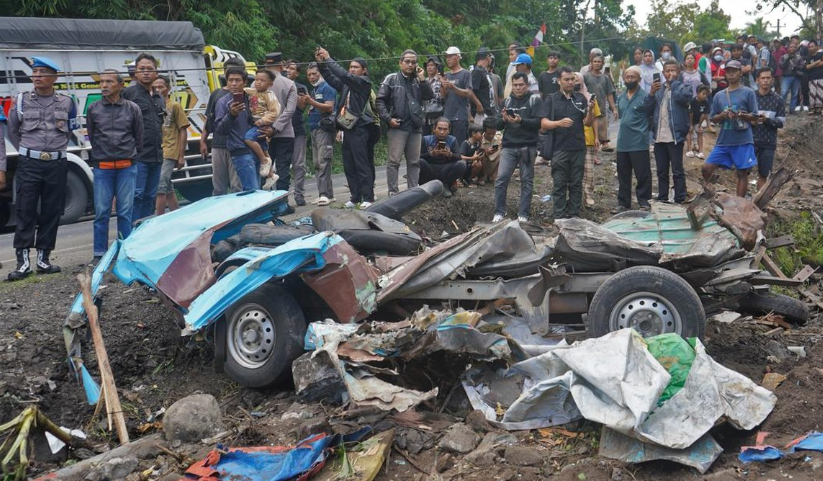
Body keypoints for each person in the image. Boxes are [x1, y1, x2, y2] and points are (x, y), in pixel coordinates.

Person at [6, 57, 77, 280]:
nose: (36, 76)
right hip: (30, 162)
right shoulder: (21, 100)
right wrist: (29, 151)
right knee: (25, 209)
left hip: (56, 162)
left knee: (52, 210)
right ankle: (23, 262)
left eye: (42, 72)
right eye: (34, 72)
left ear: (54, 78)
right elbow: (13, 130)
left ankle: (44, 259)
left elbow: (70, 129)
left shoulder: (67, 102)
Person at [86, 69, 143, 265]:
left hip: (127, 167)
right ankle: (99, 253)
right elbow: (93, 137)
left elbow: (138, 137)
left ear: (120, 85)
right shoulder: (93, 109)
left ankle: (125, 250)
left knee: (125, 211)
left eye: (109, 81)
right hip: (103, 167)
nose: (104, 85)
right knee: (101, 212)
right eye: (101, 82)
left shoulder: (132, 108)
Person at [316, 47, 377, 208]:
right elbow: (332, 78)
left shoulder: (364, 83)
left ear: (364, 71)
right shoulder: (347, 86)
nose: (352, 69)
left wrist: (329, 58)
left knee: (361, 163)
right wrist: (321, 64)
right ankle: (355, 197)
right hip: (346, 128)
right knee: (349, 164)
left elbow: (343, 75)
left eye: (355, 67)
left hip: (360, 128)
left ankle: (368, 197)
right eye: (350, 66)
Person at [376, 49, 434, 197]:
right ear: (400, 62)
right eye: (407, 61)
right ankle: (393, 193)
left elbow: (429, 96)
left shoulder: (418, 80)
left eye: (413, 62)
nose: (410, 65)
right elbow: (380, 101)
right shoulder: (391, 79)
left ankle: (413, 192)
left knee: (414, 162)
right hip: (398, 125)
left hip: (415, 127)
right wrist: (388, 119)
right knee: (394, 161)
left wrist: (422, 79)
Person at [542, 67, 594, 219]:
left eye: (572, 79)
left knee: (576, 184)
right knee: (559, 184)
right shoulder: (551, 99)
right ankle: (559, 216)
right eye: (567, 79)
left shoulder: (580, 99)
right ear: (559, 81)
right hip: (559, 148)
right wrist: (558, 123)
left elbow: (588, 123)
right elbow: (544, 123)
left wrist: (590, 110)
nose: (571, 82)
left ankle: (574, 216)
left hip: (578, 147)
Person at [701, 60, 760, 198]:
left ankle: (739, 204)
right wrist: (723, 115)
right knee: (706, 168)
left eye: (734, 71)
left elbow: (755, 115)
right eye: (728, 71)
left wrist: (741, 115)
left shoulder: (748, 92)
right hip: (724, 140)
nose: (731, 74)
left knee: (742, 173)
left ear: (740, 73)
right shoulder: (719, 95)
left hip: (743, 139)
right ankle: (711, 195)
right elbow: (713, 118)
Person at [492, 72, 545, 222]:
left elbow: (538, 123)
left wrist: (521, 121)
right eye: (515, 85)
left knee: (526, 180)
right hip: (509, 146)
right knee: (501, 178)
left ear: (527, 85)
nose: (518, 88)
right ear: (512, 86)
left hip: (528, 146)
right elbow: (497, 125)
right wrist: (503, 119)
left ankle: (523, 214)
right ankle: (499, 212)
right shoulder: (507, 101)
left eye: (521, 85)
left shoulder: (534, 100)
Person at [122, 53, 165, 222]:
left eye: (150, 69)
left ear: (156, 73)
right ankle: (130, 234)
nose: (146, 72)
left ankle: (146, 232)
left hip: (156, 155)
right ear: (136, 72)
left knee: (150, 196)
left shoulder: (158, 97)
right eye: (142, 69)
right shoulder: (128, 94)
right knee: (136, 196)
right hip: (137, 157)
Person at [647, 59, 693, 204]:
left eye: (673, 70)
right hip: (659, 137)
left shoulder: (684, 87)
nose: (670, 73)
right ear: (663, 73)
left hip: (675, 137)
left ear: (678, 72)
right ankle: (662, 198)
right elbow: (647, 109)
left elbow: (684, 97)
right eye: (668, 71)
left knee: (677, 170)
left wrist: (674, 83)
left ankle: (680, 198)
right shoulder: (659, 90)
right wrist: (651, 94)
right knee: (661, 171)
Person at [201, 57, 243, 196]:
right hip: (218, 144)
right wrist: (203, 141)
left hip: (238, 145)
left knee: (237, 185)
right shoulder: (217, 94)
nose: (233, 81)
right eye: (228, 71)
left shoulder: (247, 94)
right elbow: (209, 119)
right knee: (219, 186)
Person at [214, 67, 261, 191]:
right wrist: (231, 115)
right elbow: (220, 130)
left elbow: (265, 116)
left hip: (258, 149)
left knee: (259, 190)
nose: (233, 84)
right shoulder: (223, 102)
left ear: (245, 82)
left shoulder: (253, 98)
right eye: (230, 80)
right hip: (240, 151)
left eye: (237, 80)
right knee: (252, 190)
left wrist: (270, 130)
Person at [614, 66, 652, 213]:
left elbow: (650, 116)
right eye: (627, 77)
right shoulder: (621, 96)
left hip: (639, 142)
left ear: (639, 79)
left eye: (633, 77)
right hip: (623, 142)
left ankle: (644, 201)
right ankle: (623, 203)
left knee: (642, 174)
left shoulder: (645, 96)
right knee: (623, 175)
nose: (629, 79)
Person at [263, 53, 298, 207]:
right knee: (283, 168)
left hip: (262, 134)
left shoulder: (255, 84)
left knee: (264, 168)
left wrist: (267, 127)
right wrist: (276, 128)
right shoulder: (289, 84)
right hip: (284, 133)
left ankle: (264, 204)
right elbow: (290, 111)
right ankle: (283, 204)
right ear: (280, 65)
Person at [153, 76, 189, 215]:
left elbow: (183, 130)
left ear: (167, 89)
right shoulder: (153, 107)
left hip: (170, 150)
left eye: (160, 86)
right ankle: (177, 216)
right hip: (157, 150)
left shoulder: (174, 106)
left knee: (160, 187)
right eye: (154, 87)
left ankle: (159, 220)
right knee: (168, 188)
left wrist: (181, 155)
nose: (157, 89)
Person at [302, 63, 337, 205]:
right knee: (317, 162)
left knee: (323, 161)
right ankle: (327, 193)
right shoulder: (314, 89)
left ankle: (324, 194)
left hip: (324, 128)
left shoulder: (326, 87)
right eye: (309, 74)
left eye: (314, 74)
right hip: (313, 128)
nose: (311, 77)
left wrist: (312, 101)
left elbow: (329, 106)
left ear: (320, 73)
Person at [241, 70, 280, 182]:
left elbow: (275, 112)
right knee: (263, 147)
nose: (258, 83)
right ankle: (271, 175)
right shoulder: (252, 91)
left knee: (248, 138)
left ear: (270, 84)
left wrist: (263, 121)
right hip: (255, 123)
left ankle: (263, 160)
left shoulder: (270, 96)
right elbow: (241, 90)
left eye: (262, 81)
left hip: (262, 124)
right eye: (257, 80)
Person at [752, 68, 785, 190]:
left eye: (768, 78)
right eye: (762, 78)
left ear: (772, 80)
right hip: (750, 140)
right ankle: (742, 203)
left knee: (764, 174)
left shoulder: (778, 100)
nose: (765, 81)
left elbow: (781, 122)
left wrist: (767, 120)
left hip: (768, 142)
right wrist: (751, 120)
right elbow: (743, 116)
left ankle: (759, 205)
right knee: (743, 171)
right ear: (757, 80)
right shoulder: (751, 97)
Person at [418, 118, 467, 196]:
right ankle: (425, 186)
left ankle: (445, 184)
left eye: (445, 129)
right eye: (439, 129)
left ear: (449, 130)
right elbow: (418, 157)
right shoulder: (426, 139)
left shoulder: (452, 140)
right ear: (434, 129)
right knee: (420, 162)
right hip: (430, 167)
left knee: (461, 164)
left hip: (445, 169)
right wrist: (431, 154)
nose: (442, 132)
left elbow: (458, 156)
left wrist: (450, 154)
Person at [575, 73, 601, 207]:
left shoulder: (590, 97)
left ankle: (588, 195)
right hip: (572, 140)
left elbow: (595, 118)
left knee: (589, 171)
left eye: (577, 79)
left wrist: (597, 137)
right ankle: (576, 197)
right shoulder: (568, 98)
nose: (575, 82)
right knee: (575, 171)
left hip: (588, 138)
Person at [441, 47, 475, 145]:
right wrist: (442, 84)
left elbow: (468, 93)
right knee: (445, 145)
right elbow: (443, 96)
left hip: (460, 117)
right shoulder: (446, 75)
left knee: (458, 145)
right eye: (447, 56)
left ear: (458, 57)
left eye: (450, 56)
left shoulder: (466, 73)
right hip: (447, 116)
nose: (448, 59)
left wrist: (453, 87)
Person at [286, 59, 308, 204]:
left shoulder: (301, 87)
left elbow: (301, 106)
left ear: (297, 73)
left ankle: (299, 194)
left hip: (297, 130)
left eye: (292, 68)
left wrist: (291, 87)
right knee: (281, 165)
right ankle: (281, 196)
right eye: (286, 67)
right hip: (280, 131)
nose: (288, 70)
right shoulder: (276, 84)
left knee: (299, 165)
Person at [583, 54, 617, 152]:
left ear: (602, 63)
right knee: (590, 132)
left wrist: (614, 108)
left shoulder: (605, 78)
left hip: (601, 107)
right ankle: (593, 154)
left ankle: (602, 146)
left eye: (599, 62)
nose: (597, 64)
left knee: (601, 131)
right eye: (595, 61)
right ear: (591, 63)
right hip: (589, 108)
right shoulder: (586, 76)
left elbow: (609, 94)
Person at [686, 85, 711, 159]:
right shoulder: (692, 101)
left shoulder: (706, 103)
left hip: (698, 120)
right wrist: (690, 125)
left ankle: (700, 152)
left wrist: (700, 125)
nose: (705, 96)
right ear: (697, 93)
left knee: (700, 133)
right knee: (689, 132)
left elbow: (704, 115)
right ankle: (690, 150)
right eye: (703, 94)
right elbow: (691, 114)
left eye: (706, 94)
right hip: (689, 119)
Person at [471, 47, 495, 125]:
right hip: (480, 113)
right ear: (488, 57)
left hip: (487, 111)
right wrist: (478, 104)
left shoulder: (483, 71)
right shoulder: (477, 71)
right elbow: (470, 91)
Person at [478, 116, 502, 185]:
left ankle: (494, 177)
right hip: (483, 165)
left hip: (494, 165)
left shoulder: (499, 137)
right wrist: (485, 152)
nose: (491, 136)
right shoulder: (479, 139)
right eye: (489, 133)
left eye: (493, 133)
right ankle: (482, 177)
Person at [423, 56, 444, 136]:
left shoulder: (441, 80)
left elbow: (443, 97)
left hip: (438, 115)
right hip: (425, 116)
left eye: (432, 65)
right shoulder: (424, 81)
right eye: (428, 66)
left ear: (437, 67)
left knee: (438, 140)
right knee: (425, 140)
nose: (429, 67)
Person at [780, 42, 803, 112]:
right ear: (788, 48)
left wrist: (796, 67)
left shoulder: (799, 57)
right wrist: (787, 59)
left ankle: (792, 109)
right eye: (791, 47)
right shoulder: (783, 57)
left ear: (796, 48)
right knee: (784, 93)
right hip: (786, 77)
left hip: (796, 77)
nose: (792, 48)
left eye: (794, 47)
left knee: (795, 94)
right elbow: (781, 66)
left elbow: (802, 67)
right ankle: (781, 109)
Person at [804, 40, 823, 115]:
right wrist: (818, 61)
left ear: (816, 47)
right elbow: (807, 67)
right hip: (811, 78)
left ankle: (819, 108)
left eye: (812, 46)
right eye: (809, 47)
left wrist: (813, 65)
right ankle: (812, 108)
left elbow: (821, 64)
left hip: (821, 77)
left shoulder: (821, 54)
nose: (811, 48)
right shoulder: (807, 57)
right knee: (812, 93)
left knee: (821, 93)